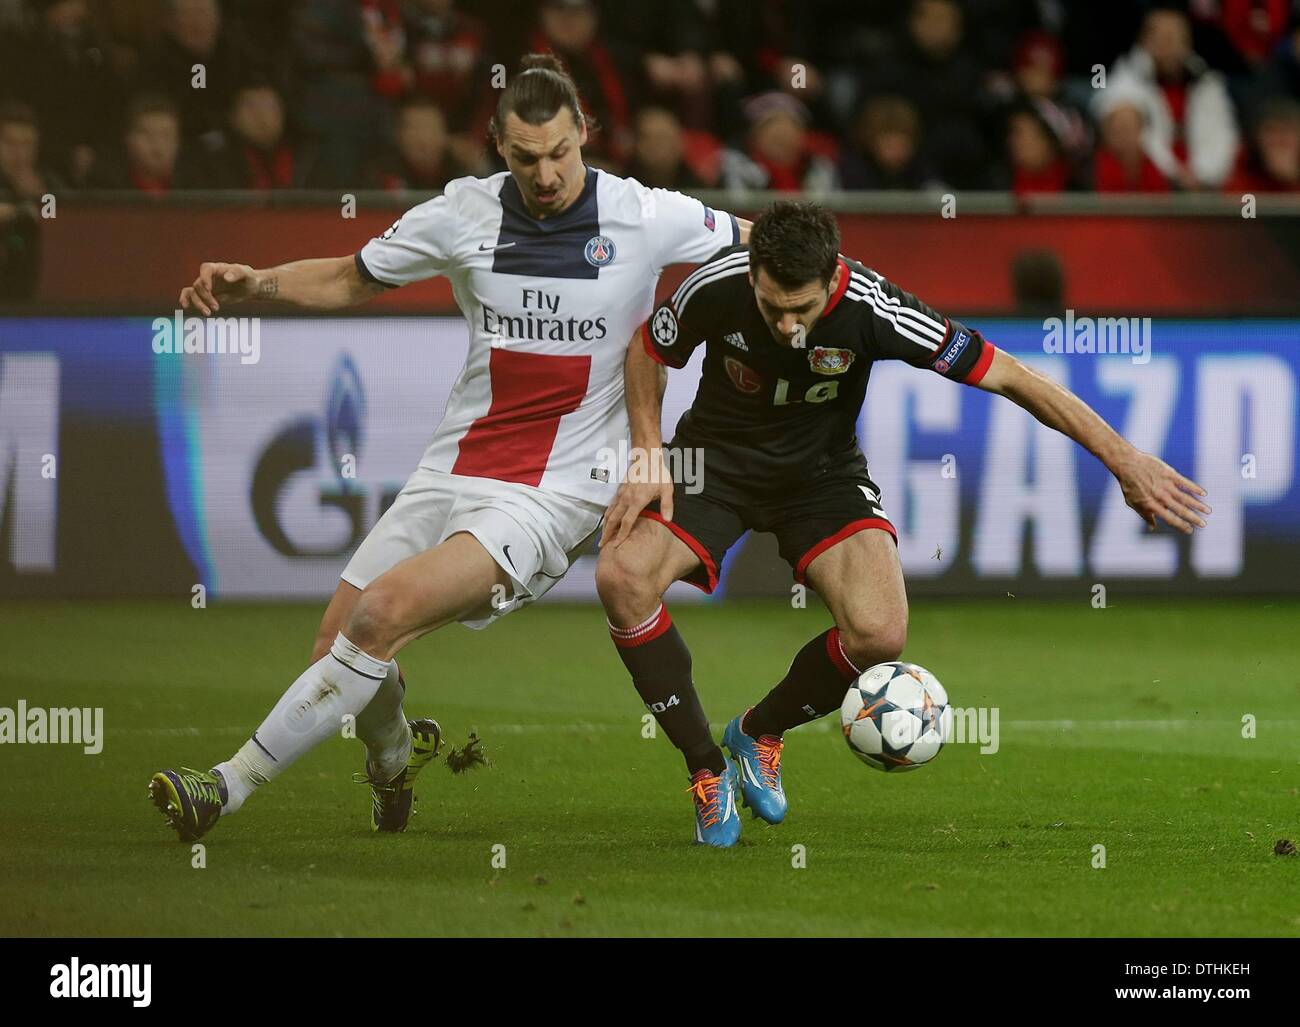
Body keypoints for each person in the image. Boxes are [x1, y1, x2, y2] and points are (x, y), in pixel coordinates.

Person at [150, 55, 744, 842]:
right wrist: (251, 283)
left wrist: (852, 305)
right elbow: (349, 278)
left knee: (382, 613)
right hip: (454, 465)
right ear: (499, 145)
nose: (545, 174)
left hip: (554, 493)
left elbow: (758, 243)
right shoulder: (463, 213)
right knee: (338, 643)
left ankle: (223, 788)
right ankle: (396, 755)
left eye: (561, 153)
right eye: (526, 157)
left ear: (585, 136)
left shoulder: (643, 215)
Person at [595, 201, 1210, 846]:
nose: (785, 325)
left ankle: (757, 731)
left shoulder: (875, 307)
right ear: (753, 274)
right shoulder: (715, 285)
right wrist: (645, 451)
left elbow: (1011, 376)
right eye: (772, 306)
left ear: (833, 279)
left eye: (800, 310)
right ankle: (705, 769)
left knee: (880, 634)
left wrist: (1125, 459)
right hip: (714, 466)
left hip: (821, 478)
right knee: (622, 577)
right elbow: (650, 349)